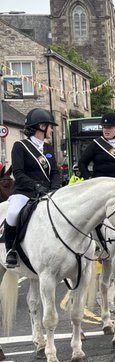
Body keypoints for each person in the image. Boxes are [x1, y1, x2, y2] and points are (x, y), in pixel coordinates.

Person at [3, 109, 60, 267]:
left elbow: (55, 172)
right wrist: (36, 186)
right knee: (14, 213)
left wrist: (54, 189)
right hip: (24, 191)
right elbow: (18, 172)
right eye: (50, 127)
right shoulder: (20, 146)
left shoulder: (48, 149)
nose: (51, 130)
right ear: (41, 126)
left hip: (46, 192)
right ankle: (11, 250)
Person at [77, 112, 115, 180]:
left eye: (109, 127)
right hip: (101, 184)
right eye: (104, 127)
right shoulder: (96, 144)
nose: (106, 130)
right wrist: (89, 178)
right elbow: (82, 163)